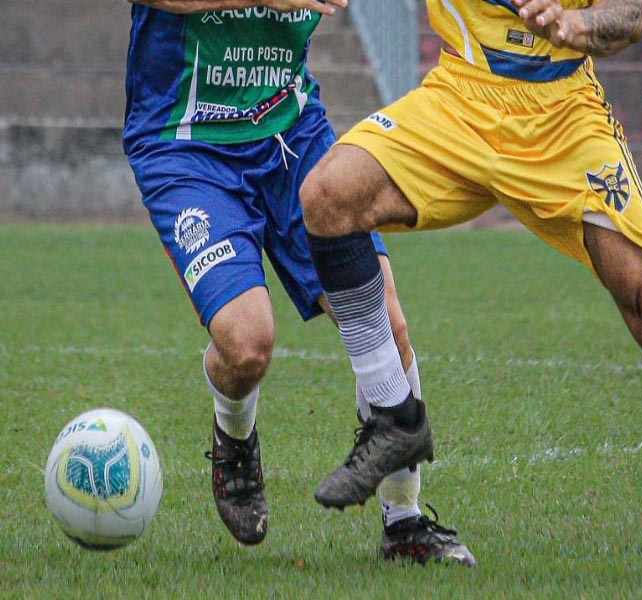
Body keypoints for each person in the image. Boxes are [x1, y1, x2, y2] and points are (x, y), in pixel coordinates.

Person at [299, 0, 642, 581]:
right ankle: (394, 418)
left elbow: (631, 14)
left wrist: (579, 24)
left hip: (563, 116)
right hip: (463, 97)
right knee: (328, 196)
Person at [122, 0, 474, 566]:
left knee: (387, 319)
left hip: (289, 134)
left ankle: (404, 525)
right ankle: (234, 438)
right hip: (185, 145)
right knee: (246, 345)